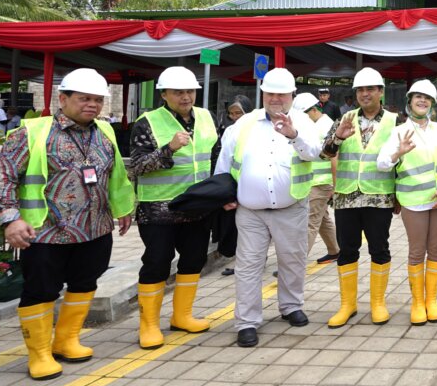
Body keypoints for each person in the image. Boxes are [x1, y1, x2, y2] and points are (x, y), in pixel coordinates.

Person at [0, 69, 134, 380]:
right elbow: (3, 178)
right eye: (84, 99)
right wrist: (10, 219)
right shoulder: (32, 132)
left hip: (94, 228)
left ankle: (67, 340)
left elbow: (116, 176)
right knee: (40, 290)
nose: (92, 105)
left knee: (86, 283)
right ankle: (39, 353)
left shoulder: (104, 132)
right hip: (44, 232)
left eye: (97, 99)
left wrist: (124, 209)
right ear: (63, 98)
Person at [214, 68, 321, 347]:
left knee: (293, 260)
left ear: (291, 95)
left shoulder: (303, 122)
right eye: (270, 93)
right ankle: (247, 322)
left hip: (291, 207)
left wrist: (294, 135)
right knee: (248, 266)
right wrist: (223, 194)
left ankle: (291, 306)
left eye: (281, 94)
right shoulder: (243, 124)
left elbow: (313, 151)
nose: (275, 99)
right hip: (250, 212)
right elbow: (225, 162)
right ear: (262, 94)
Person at [127, 67, 218, 349]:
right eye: (178, 92)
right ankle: (149, 325)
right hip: (158, 211)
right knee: (157, 263)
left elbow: (214, 158)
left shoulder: (205, 117)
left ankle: (182, 316)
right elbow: (138, 166)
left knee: (194, 261)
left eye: (189, 91)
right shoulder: (147, 123)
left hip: (197, 207)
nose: (185, 96)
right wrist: (169, 149)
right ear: (164, 94)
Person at [319, 67, 398, 328]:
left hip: (379, 197)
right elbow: (326, 153)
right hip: (346, 197)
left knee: (379, 248)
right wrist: (338, 139)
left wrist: (398, 195)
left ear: (380, 92)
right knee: (347, 250)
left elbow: (402, 160)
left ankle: (378, 303)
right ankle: (347, 305)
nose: (365, 94)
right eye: (360, 90)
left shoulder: (394, 121)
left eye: (370, 89)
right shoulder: (345, 119)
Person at [378, 80, 437, 325]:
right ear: (409, 101)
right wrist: (397, 153)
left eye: (427, 98)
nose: (422, 101)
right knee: (416, 251)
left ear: (432, 103)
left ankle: (431, 300)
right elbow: (381, 164)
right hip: (413, 201)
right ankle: (417, 302)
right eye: (417, 97)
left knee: (436, 249)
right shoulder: (399, 131)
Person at [292, 92, 339, 265]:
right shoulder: (315, 125)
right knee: (322, 219)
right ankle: (335, 251)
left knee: (310, 222)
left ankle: (297, 263)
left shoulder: (327, 127)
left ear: (312, 110)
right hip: (314, 182)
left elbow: (335, 157)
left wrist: (335, 186)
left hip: (322, 183)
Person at [214, 95, 253, 276]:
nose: (236, 116)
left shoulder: (255, 128)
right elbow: (223, 161)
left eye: (239, 112)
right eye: (232, 113)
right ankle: (241, 261)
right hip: (233, 185)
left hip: (251, 187)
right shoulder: (229, 130)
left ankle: (247, 262)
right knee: (236, 227)